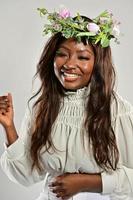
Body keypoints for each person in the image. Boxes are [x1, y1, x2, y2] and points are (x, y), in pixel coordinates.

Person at [0, 6, 133, 200]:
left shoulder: (117, 110)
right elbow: (27, 175)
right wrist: (8, 126)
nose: (69, 64)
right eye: (62, 54)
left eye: (83, 57)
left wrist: (88, 183)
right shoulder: (42, 107)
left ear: (97, 63)